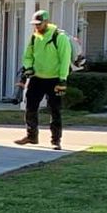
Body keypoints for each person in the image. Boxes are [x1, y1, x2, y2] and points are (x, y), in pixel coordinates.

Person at [15, 9, 74, 149]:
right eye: (35, 24)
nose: (36, 27)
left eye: (39, 24)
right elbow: (27, 55)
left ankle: (56, 141)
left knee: (55, 110)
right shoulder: (35, 37)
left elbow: (65, 59)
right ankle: (31, 136)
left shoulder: (59, 37)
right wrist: (28, 67)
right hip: (37, 78)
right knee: (30, 107)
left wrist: (62, 79)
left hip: (54, 79)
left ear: (46, 22)